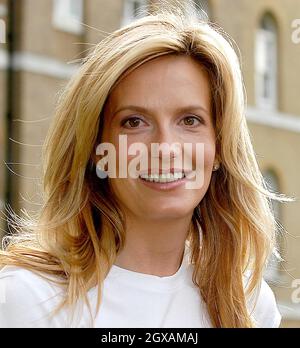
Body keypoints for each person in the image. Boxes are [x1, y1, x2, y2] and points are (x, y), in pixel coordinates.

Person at [0, 1, 287, 328]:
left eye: (190, 120)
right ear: (96, 148)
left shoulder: (247, 302)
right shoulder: (27, 298)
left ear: (219, 147)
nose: (165, 148)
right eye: (134, 122)